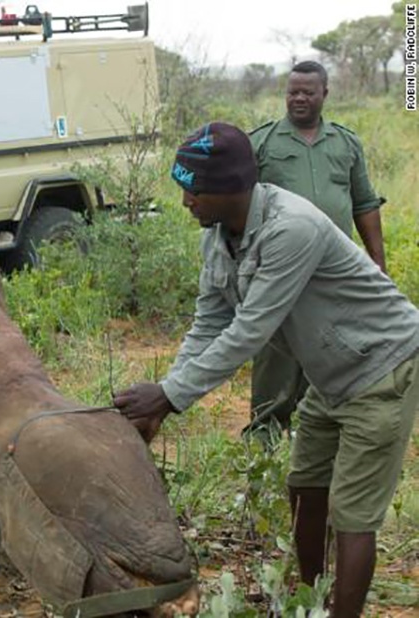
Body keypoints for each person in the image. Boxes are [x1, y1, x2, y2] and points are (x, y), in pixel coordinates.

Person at [114, 122, 418, 618]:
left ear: (230, 187)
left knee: (353, 513)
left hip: (382, 366)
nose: (186, 201)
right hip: (330, 373)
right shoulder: (217, 238)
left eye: (193, 190)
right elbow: (209, 322)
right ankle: (313, 596)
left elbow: (249, 331)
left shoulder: (290, 228)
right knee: (304, 487)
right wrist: (164, 398)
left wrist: (169, 396)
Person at [245, 60, 387, 440]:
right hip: (280, 269)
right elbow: (240, 207)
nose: (299, 98)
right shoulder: (262, 143)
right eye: (293, 91)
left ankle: (315, 433)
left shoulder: (345, 142)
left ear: (325, 93)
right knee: (276, 353)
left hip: (334, 272)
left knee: (330, 348)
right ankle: (265, 435)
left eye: (308, 91)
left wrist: (377, 263)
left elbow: (364, 203)